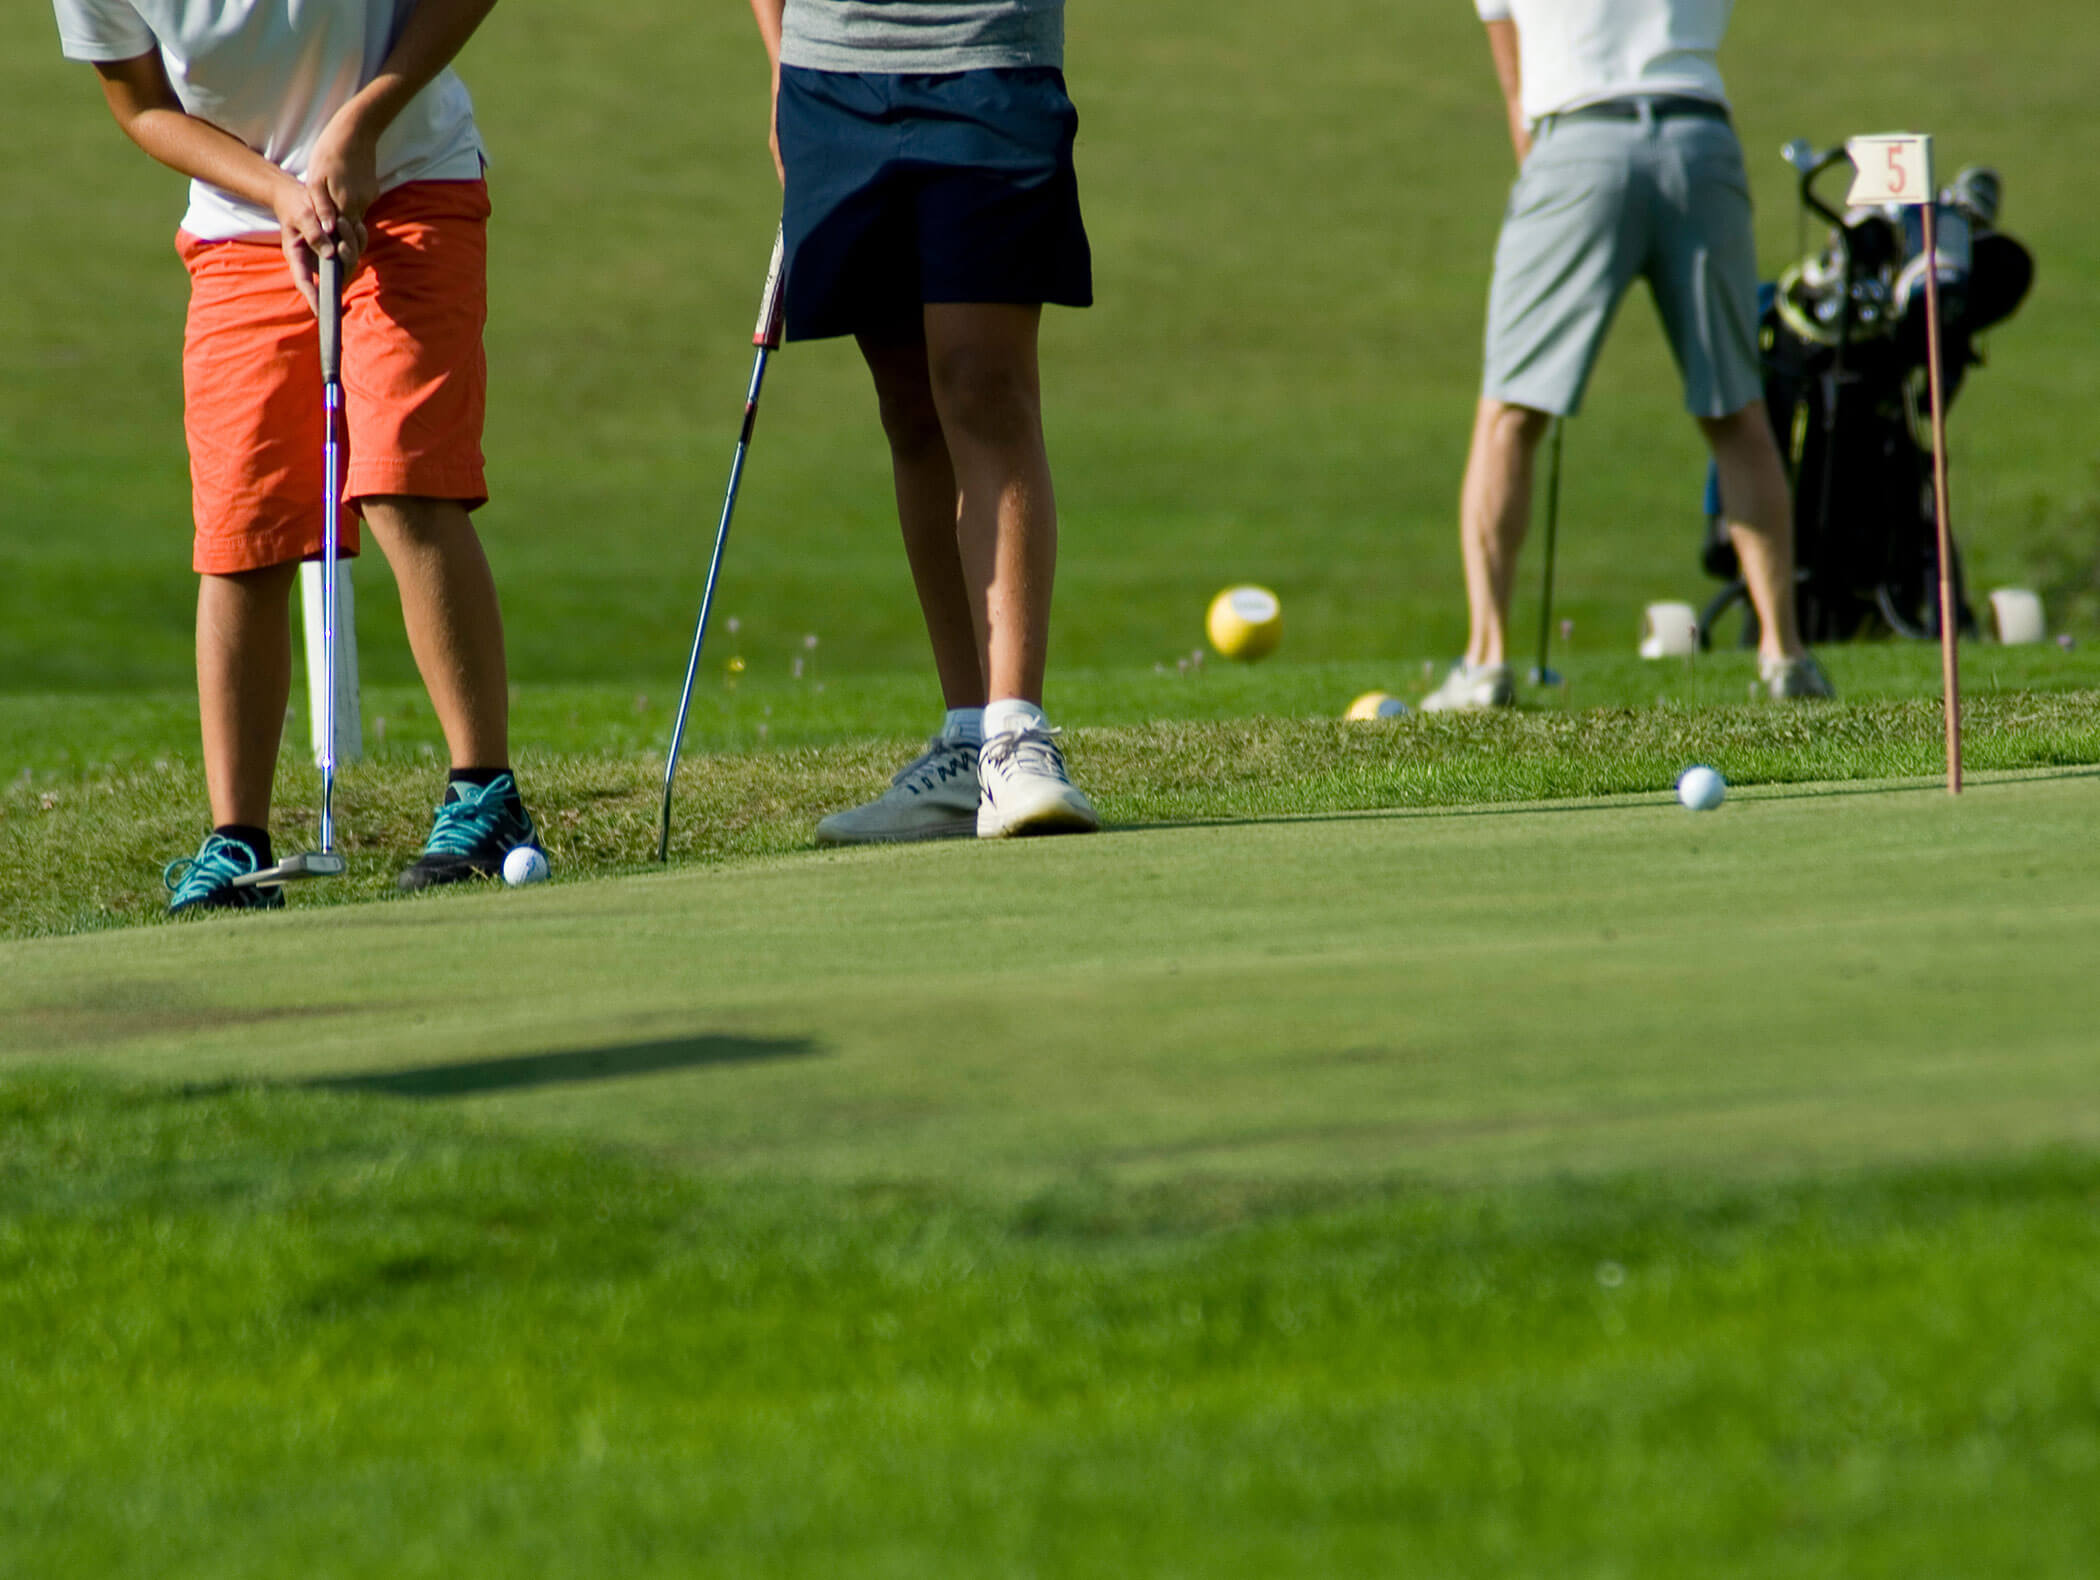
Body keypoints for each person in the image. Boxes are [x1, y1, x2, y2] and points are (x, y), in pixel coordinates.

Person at [53, 0, 540, 913]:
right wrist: (279, 190)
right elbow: (140, 103)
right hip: (243, 225)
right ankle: (237, 845)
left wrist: (359, 124)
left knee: (403, 480)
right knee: (244, 530)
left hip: (407, 177)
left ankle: (485, 794)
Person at [748, 0, 1101, 841]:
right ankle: (969, 735)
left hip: (987, 54)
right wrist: (778, 64)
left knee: (984, 384)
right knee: (908, 407)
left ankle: (1017, 732)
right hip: (831, 72)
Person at [1421, 0, 1834, 711]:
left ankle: (1487, 664)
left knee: (1510, 413)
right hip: (1700, 140)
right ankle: (1784, 654)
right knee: (1737, 407)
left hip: (1577, 139)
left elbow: (1517, 89)